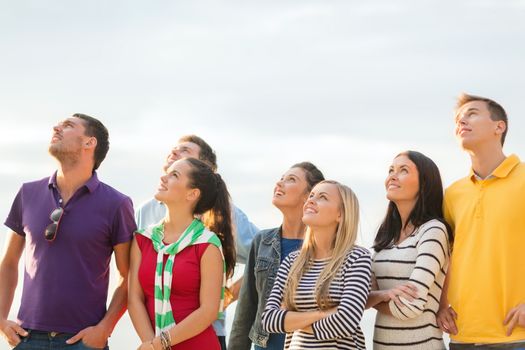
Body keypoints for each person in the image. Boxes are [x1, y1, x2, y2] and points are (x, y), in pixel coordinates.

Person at [0, 114, 136, 349]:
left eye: (68, 125)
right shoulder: (27, 193)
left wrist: (105, 328)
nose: (56, 127)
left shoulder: (117, 204)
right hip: (27, 338)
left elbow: (129, 276)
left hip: (82, 341)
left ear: (89, 143)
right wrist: (1, 319)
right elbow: (9, 262)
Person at [135, 135, 258, 349]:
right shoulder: (143, 229)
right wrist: (151, 344)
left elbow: (261, 253)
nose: (174, 153)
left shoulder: (215, 233)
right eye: (173, 151)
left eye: (184, 151)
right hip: (152, 340)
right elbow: (134, 295)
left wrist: (228, 294)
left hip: (199, 337)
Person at [436, 93, 525, 349]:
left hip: (517, 336)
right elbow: (446, 257)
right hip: (463, 336)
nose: (461, 121)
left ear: (500, 126)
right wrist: (442, 305)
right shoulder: (453, 193)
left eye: (472, 113)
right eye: (458, 118)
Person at [261, 180, 372, 350]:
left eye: (322, 197)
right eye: (311, 196)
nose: (310, 201)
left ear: (340, 214)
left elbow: (346, 320)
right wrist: (324, 314)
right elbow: (269, 319)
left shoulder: (357, 258)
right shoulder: (292, 261)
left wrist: (293, 321)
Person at [229, 162, 325, 350]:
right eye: (281, 178)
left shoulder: (326, 246)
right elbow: (246, 310)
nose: (279, 183)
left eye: (290, 180)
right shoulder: (262, 241)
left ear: (308, 195)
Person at [366, 151, 452, 349]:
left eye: (403, 170)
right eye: (391, 170)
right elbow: (361, 296)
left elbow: (409, 307)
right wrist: (384, 295)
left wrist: (373, 298)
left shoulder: (433, 230)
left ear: (424, 184)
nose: (392, 176)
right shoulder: (386, 237)